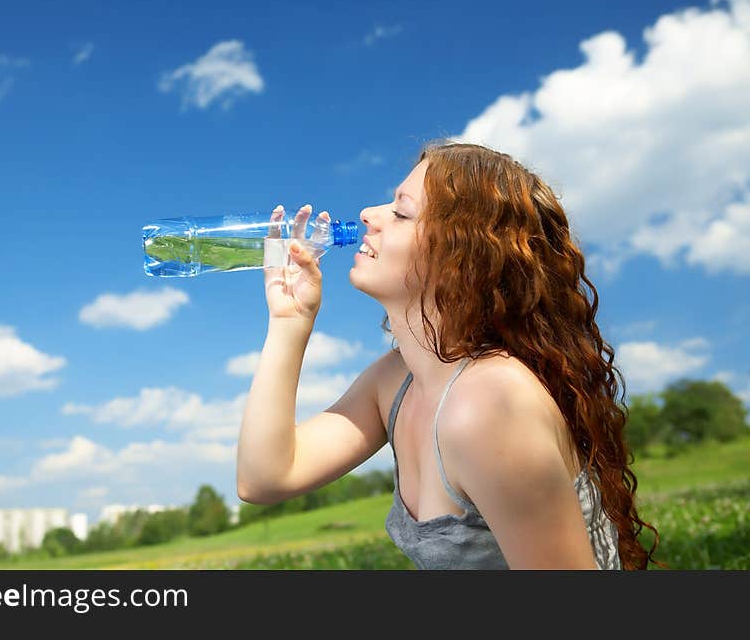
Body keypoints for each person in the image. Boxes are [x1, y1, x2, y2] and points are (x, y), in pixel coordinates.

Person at [236, 140, 663, 570]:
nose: (368, 213)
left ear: (462, 257)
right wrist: (289, 322)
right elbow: (265, 477)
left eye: (402, 212)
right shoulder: (395, 383)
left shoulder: (488, 404)